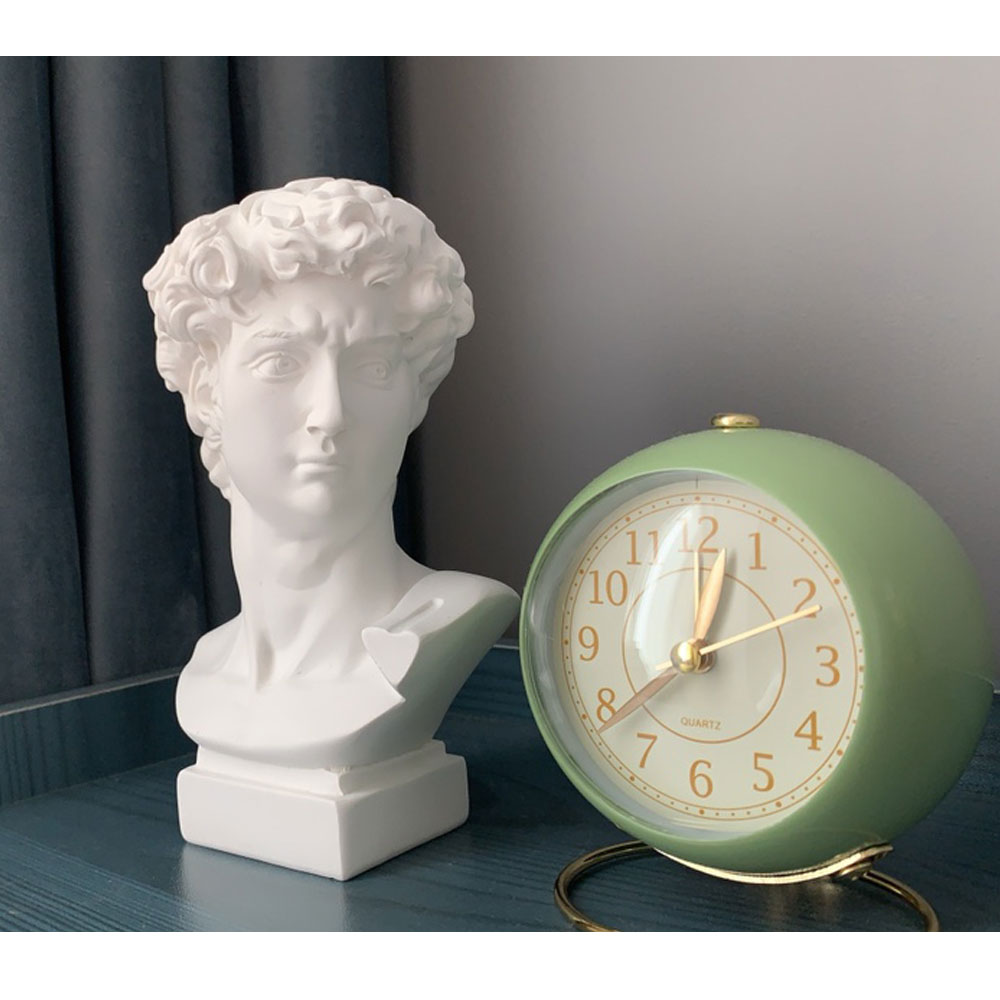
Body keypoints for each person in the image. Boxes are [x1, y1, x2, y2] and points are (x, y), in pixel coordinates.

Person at [144, 178, 518, 771]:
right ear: (205, 391)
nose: (331, 413)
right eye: (280, 362)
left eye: (372, 368)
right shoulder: (210, 668)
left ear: (415, 394)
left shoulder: (454, 617)